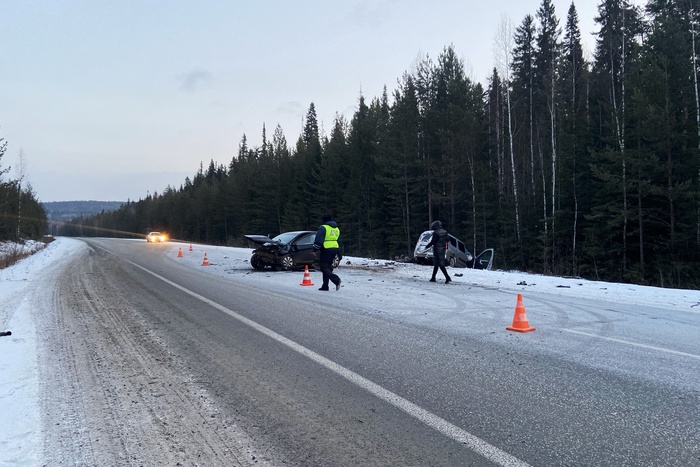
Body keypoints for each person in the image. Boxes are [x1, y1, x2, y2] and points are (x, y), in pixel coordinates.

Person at [313, 213, 341, 291]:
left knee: (323, 267)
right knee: (327, 267)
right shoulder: (336, 228)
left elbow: (318, 239)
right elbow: (339, 239)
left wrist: (315, 249)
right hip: (335, 248)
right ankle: (325, 286)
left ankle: (336, 280)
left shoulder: (323, 228)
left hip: (326, 248)